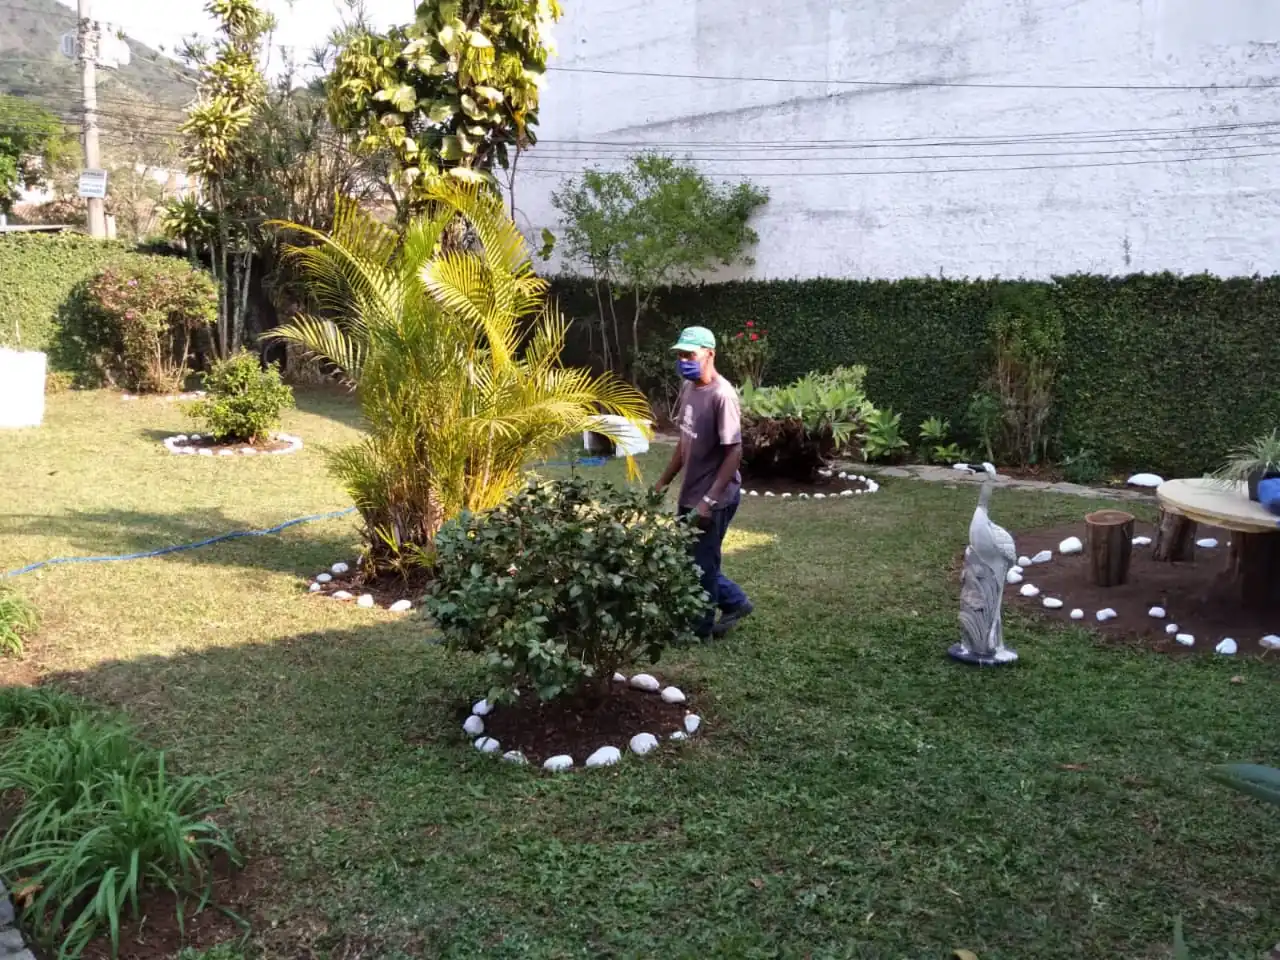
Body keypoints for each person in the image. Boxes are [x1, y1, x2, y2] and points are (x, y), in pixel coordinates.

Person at [655, 325, 753, 638]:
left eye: (690, 354)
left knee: (700, 564)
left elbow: (734, 452)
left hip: (716, 497)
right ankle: (735, 601)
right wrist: (663, 483)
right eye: (680, 354)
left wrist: (708, 502)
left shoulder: (722, 396)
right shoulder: (688, 389)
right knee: (693, 559)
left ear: (709, 354)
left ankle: (700, 630)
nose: (684, 360)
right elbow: (685, 444)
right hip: (690, 491)